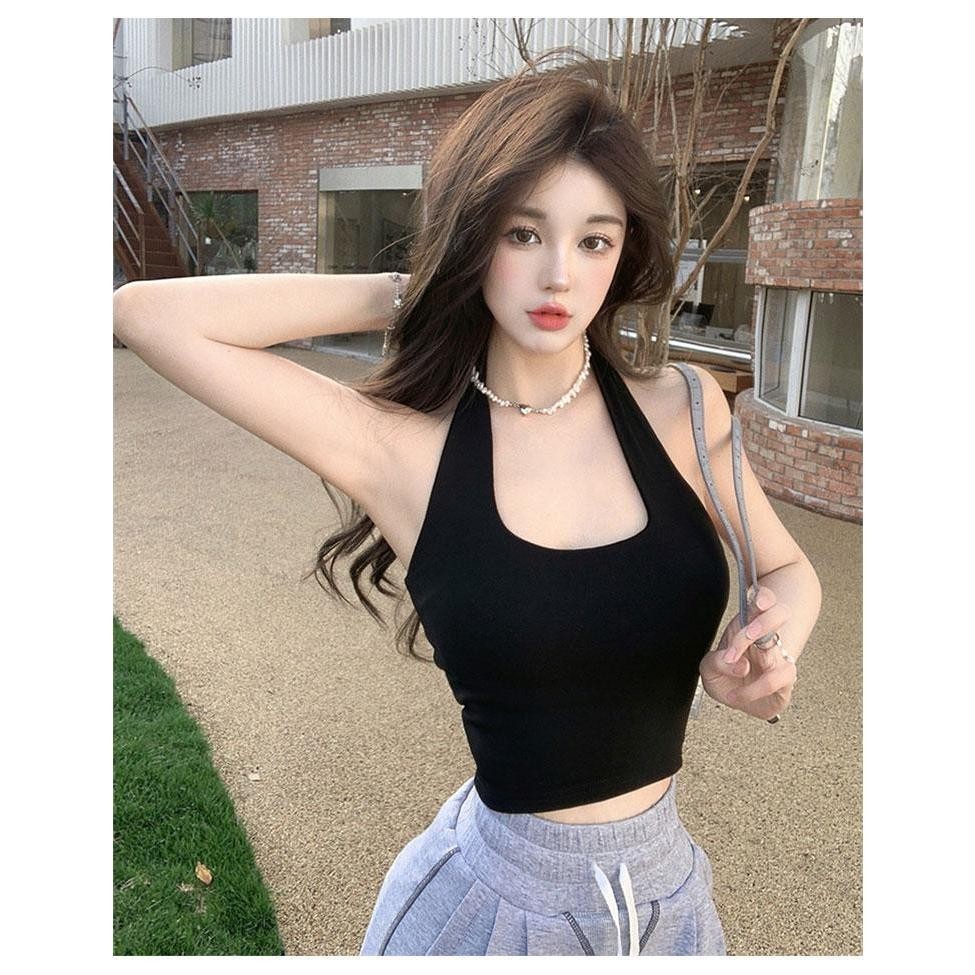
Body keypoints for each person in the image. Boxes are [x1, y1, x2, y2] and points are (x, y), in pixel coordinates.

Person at [113, 51, 822, 956]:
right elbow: (147, 315)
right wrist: (418, 286)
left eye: (594, 240)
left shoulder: (682, 408)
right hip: (491, 916)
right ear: (474, 235)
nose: (558, 275)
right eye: (522, 233)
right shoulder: (401, 450)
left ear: (622, 255)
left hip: (671, 905)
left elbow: (787, 570)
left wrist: (771, 650)